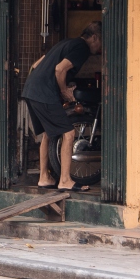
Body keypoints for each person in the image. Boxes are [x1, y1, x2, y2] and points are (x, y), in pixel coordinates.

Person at [22, 22, 102, 191]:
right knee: (68, 132)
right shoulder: (82, 48)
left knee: (48, 134)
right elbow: (59, 69)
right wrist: (64, 91)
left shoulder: (66, 43)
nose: (100, 47)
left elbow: (36, 65)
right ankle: (65, 180)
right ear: (94, 37)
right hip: (44, 92)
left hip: (31, 89)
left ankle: (44, 177)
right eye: (101, 41)